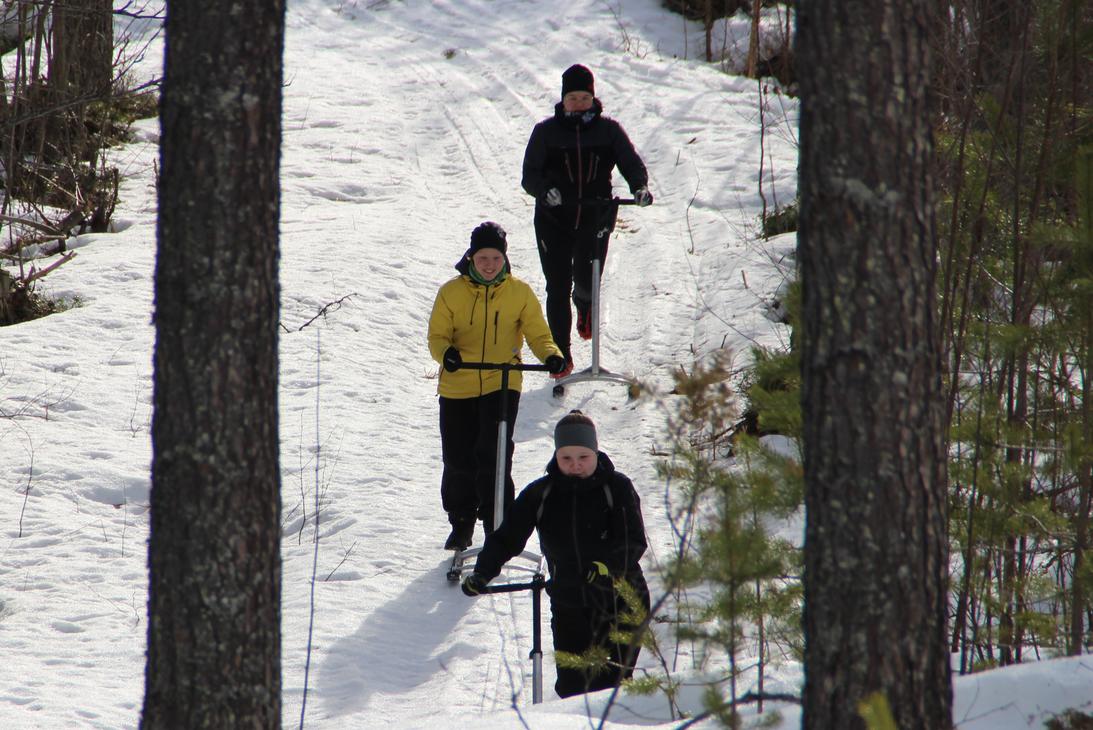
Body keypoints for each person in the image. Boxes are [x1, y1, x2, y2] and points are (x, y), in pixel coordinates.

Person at [461, 410, 651, 698]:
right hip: (569, 603)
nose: (575, 465)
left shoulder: (617, 488)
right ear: (556, 456)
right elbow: (506, 538)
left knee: (610, 691)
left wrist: (605, 566)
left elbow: (633, 541)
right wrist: (483, 572)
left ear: (596, 453)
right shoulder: (542, 494)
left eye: (583, 457)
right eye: (567, 458)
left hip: (620, 602)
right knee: (572, 691)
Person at [428, 221, 567, 551]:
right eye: (482, 259)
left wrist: (551, 355)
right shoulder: (451, 292)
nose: (489, 265)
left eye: (495, 258)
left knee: (495, 455)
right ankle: (461, 523)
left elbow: (538, 334)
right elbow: (437, 336)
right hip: (457, 385)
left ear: (504, 258)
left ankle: (496, 525)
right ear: (471, 258)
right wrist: (447, 354)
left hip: (501, 382)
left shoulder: (519, 293)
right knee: (459, 459)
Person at [521, 63, 653, 378]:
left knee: (586, 278)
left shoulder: (609, 131)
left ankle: (584, 305)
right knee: (557, 285)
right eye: (573, 98)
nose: (579, 103)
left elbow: (631, 163)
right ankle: (561, 355)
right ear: (563, 100)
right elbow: (529, 176)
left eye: (584, 97)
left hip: (596, 215)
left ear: (593, 98)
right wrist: (545, 191)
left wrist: (639, 188)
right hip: (554, 217)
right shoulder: (545, 132)